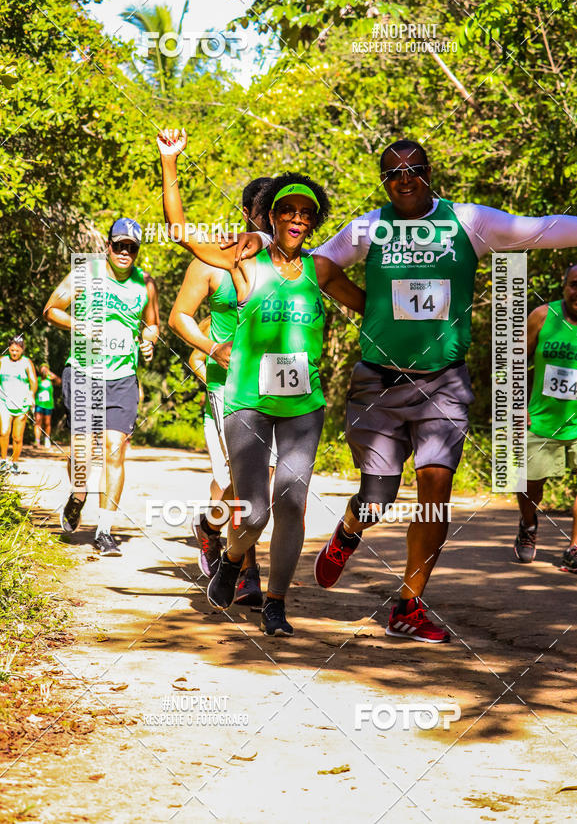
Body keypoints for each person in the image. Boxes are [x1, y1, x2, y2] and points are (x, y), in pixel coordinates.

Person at [232, 139, 577, 643]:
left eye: (414, 170)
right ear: (384, 182)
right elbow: (312, 265)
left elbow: (542, 228)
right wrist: (258, 246)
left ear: (430, 173)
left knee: (434, 491)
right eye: (392, 173)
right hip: (379, 381)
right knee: (378, 498)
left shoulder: (470, 221)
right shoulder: (369, 227)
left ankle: (408, 605)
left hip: (443, 383)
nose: (404, 179)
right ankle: (349, 532)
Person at [158, 127, 365, 635]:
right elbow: (182, 230)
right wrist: (170, 163)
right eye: (287, 211)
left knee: (291, 504)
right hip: (247, 402)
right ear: (272, 217)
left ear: (314, 221)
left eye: (307, 213)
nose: (298, 219)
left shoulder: (320, 269)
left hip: (303, 407)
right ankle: (231, 559)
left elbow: (375, 305)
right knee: (252, 515)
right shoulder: (245, 262)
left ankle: (276, 603)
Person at [173, 175, 277, 608]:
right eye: (268, 214)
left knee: (254, 483)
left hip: (275, 384)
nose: (278, 223)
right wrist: (212, 348)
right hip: (228, 387)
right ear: (249, 216)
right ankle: (247, 572)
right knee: (245, 479)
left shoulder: (288, 263)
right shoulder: (213, 259)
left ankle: (211, 527)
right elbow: (180, 316)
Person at [43, 218, 159, 556]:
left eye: (131, 248)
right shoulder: (86, 273)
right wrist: (80, 324)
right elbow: (52, 310)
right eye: (118, 245)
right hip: (83, 371)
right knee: (82, 455)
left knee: (114, 450)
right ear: (107, 246)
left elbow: (151, 325)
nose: (124, 252)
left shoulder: (145, 283)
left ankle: (105, 531)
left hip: (122, 377)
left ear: (137, 251)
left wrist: (148, 341)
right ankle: (78, 495)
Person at [514, 262, 577, 574]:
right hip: (541, 417)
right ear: (564, 286)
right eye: (574, 284)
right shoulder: (542, 316)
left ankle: (574, 548)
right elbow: (513, 360)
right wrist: (516, 405)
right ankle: (528, 522)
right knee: (528, 483)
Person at [0, 336, 37, 475]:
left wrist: (31, 394)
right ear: (8, 349)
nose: (14, 353)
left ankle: (14, 462)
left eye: (17, 350)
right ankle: (3, 461)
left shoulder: (27, 363)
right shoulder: (2, 361)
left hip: (21, 403)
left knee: (17, 437)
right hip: (4, 401)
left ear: (22, 350)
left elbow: (33, 382)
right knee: (3, 432)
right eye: (12, 350)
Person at [34, 364, 61, 448]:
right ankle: (37, 441)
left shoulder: (50, 380)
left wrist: (53, 375)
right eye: (42, 368)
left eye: (45, 369)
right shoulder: (37, 380)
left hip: (48, 405)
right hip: (39, 403)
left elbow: (59, 382)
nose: (43, 370)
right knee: (37, 421)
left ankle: (46, 439)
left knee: (47, 423)